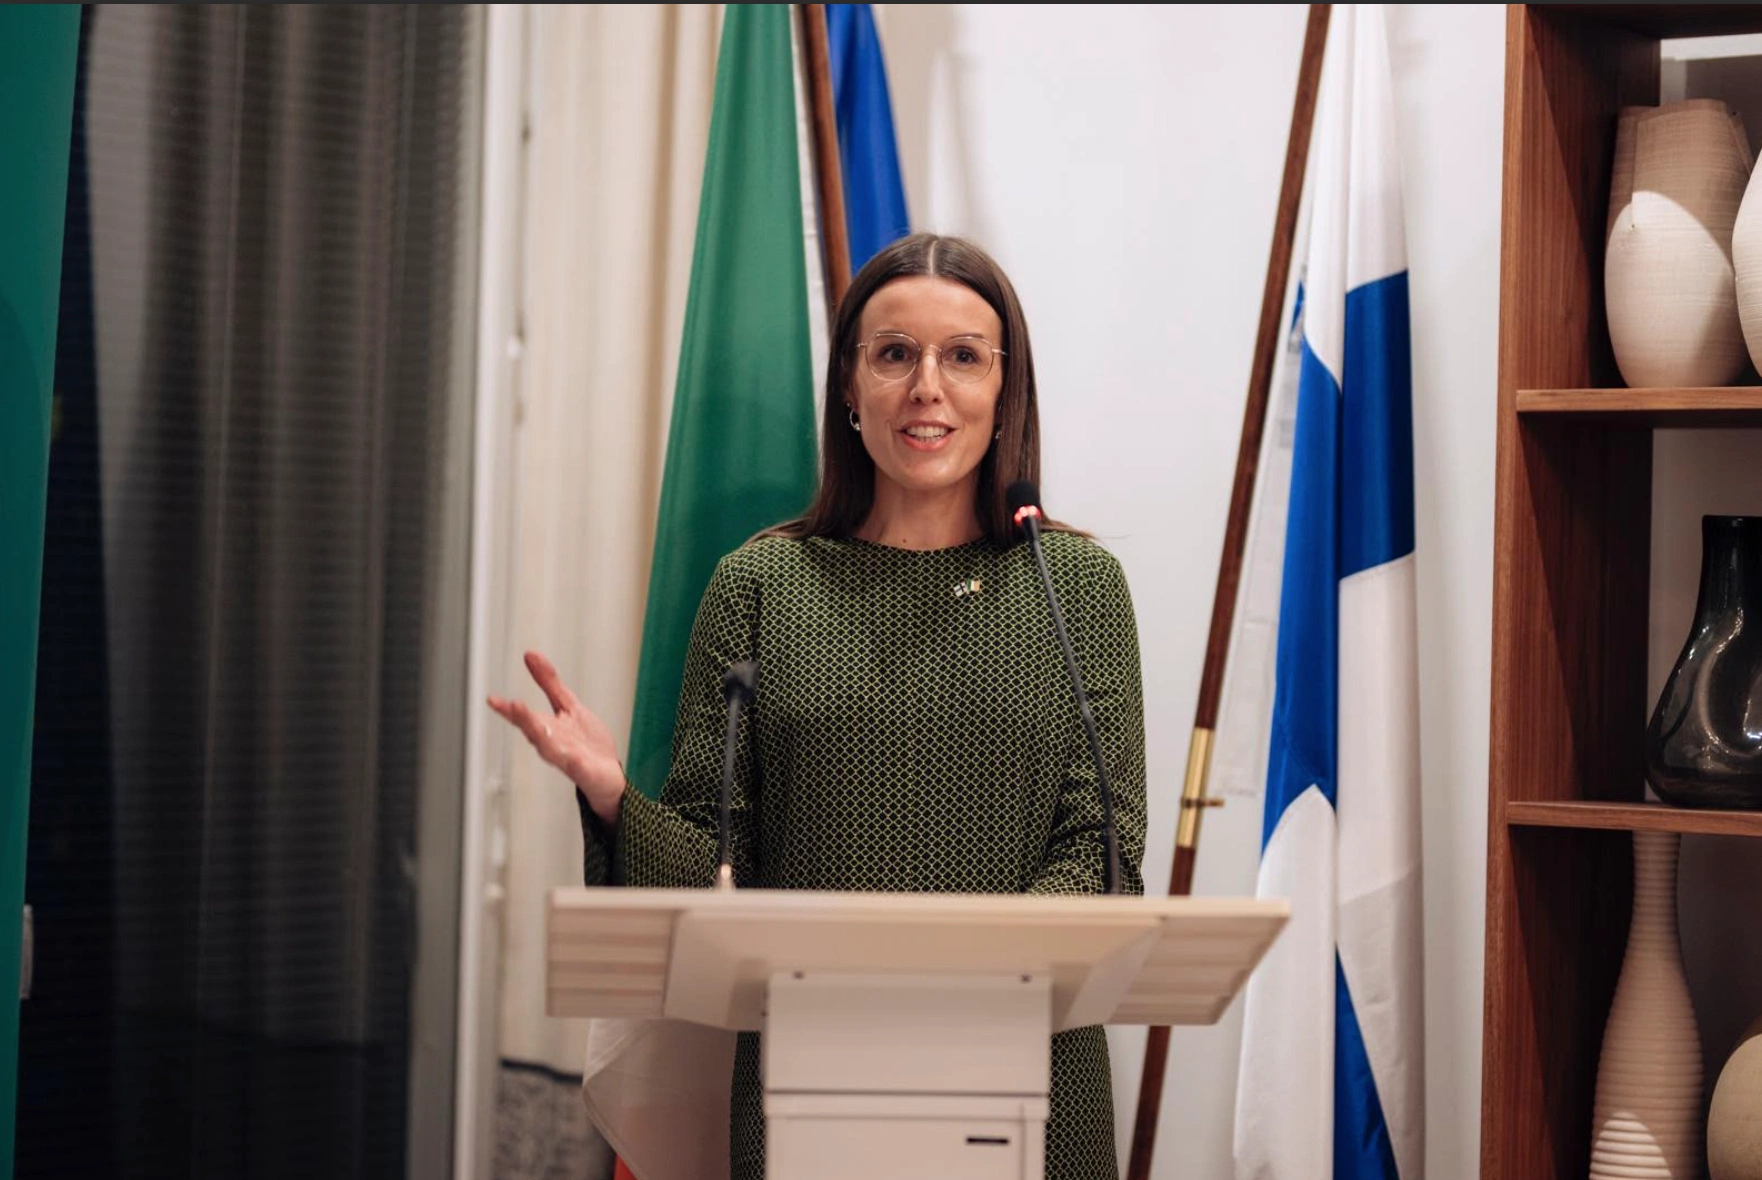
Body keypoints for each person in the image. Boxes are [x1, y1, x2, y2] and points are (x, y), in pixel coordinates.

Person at [489, 232, 1148, 1180]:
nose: (927, 387)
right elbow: (720, 869)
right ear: (849, 384)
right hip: (812, 1082)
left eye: (964, 356)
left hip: (1032, 1079)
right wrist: (611, 796)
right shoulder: (760, 585)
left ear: (1006, 389)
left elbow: (1102, 852)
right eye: (895, 354)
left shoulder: (1074, 588)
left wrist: (960, 982)